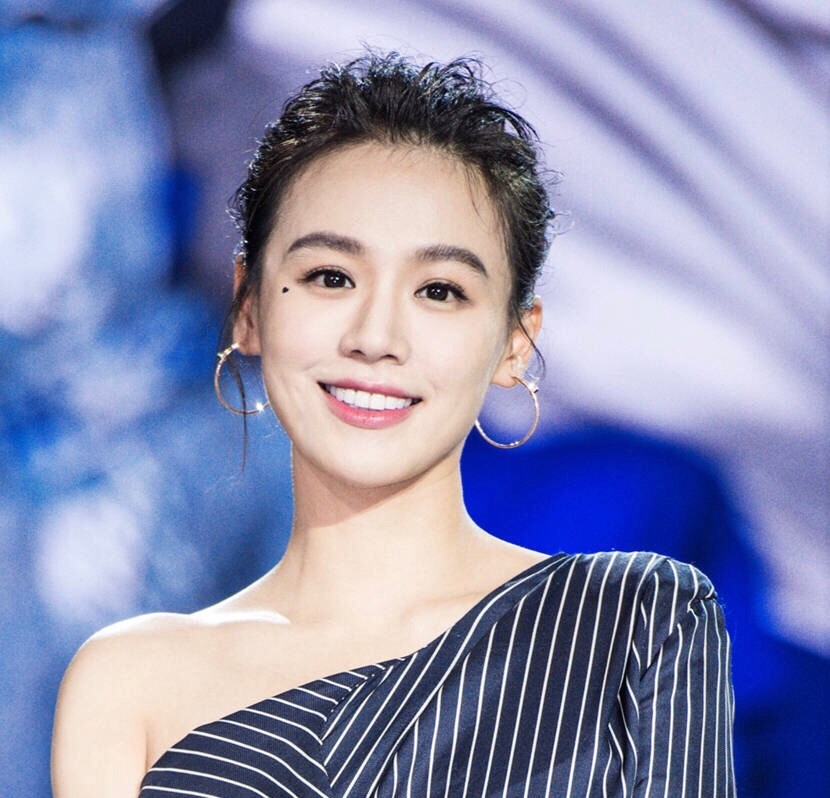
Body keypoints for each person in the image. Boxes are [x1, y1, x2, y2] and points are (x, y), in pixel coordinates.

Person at [52, 52, 735, 797]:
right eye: (331, 277)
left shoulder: (635, 624)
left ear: (516, 341)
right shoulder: (128, 682)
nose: (376, 337)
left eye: (439, 290)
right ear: (249, 306)